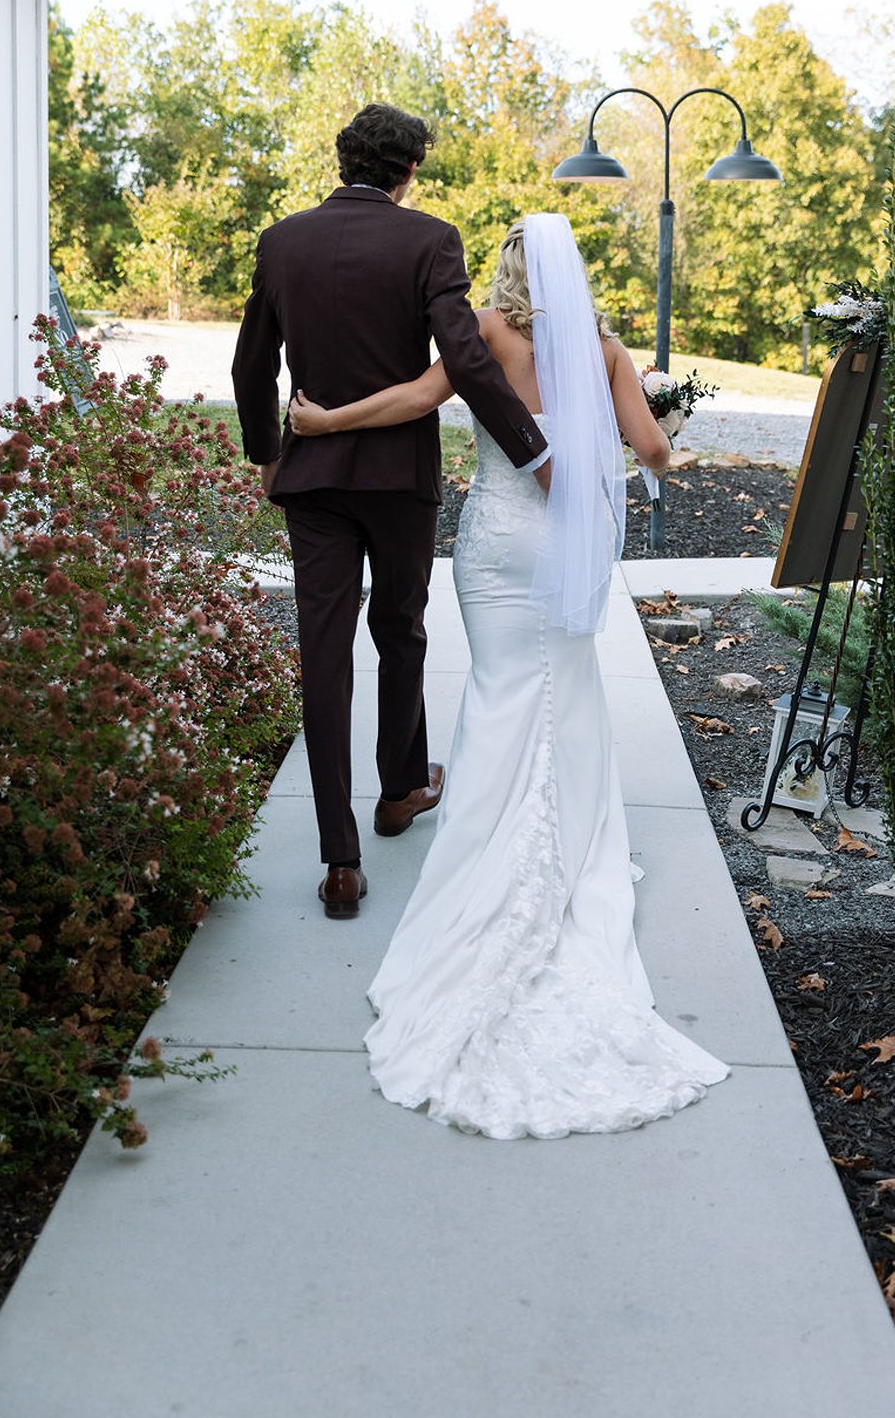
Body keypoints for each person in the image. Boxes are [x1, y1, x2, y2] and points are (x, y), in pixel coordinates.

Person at [287, 213, 729, 1139]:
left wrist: (327, 419)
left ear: (507, 271)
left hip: (495, 545)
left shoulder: (484, 333)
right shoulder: (606, 349)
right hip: (564, 544)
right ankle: (567, 847)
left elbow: (411, 400)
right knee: (566, 690)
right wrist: (661, 415)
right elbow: (652, 454)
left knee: (495, 694)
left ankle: (483, 852)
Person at [231, 105, 549, 920]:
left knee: (324, 654)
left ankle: (340, 863)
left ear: (345, 162)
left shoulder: (282, 240)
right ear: (409, 170)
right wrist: (532, 451)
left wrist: (268, 452)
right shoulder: (430, 240)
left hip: (312, 479)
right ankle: (400, 789)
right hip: (398, 478)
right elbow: (464, 357)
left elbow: (250, 361)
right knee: (401, 630)